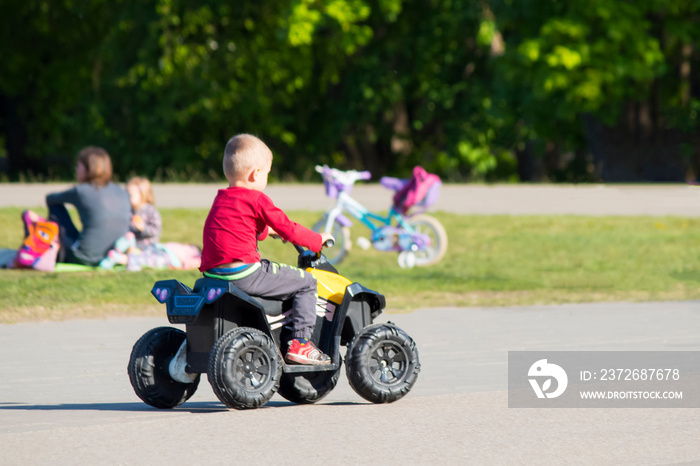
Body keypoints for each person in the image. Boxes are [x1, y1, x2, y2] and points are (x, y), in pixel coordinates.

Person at [199, 133, 334, 365]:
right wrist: (316, 240)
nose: (267, 179)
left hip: (214, 274)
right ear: (256, 174)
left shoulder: (222, 198)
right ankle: (301, 343)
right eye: (268, 173)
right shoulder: (257, 199)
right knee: (306, 282)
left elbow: (236, 228)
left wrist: (266, 232)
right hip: (244, 273)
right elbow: (288, 228)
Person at [46, 146, 131, 266]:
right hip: (116, 254)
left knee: (55, 207)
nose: (76, 169)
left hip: (85, 257)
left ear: (88, 169)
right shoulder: (121, 191)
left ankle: (52, 247)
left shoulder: (81, 191)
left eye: (78, 165)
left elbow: (50, 199)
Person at [100, 177, 162, 268]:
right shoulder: (129, 211)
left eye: (130, 195)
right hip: (132, 245)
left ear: (143, 195)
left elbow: (156, 230)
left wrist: (143, 228)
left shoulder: (151, 211)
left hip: (147, 246)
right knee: (125, 242)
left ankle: (120, 259)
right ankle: (118, 254)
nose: (127, 198)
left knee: (145, 258)